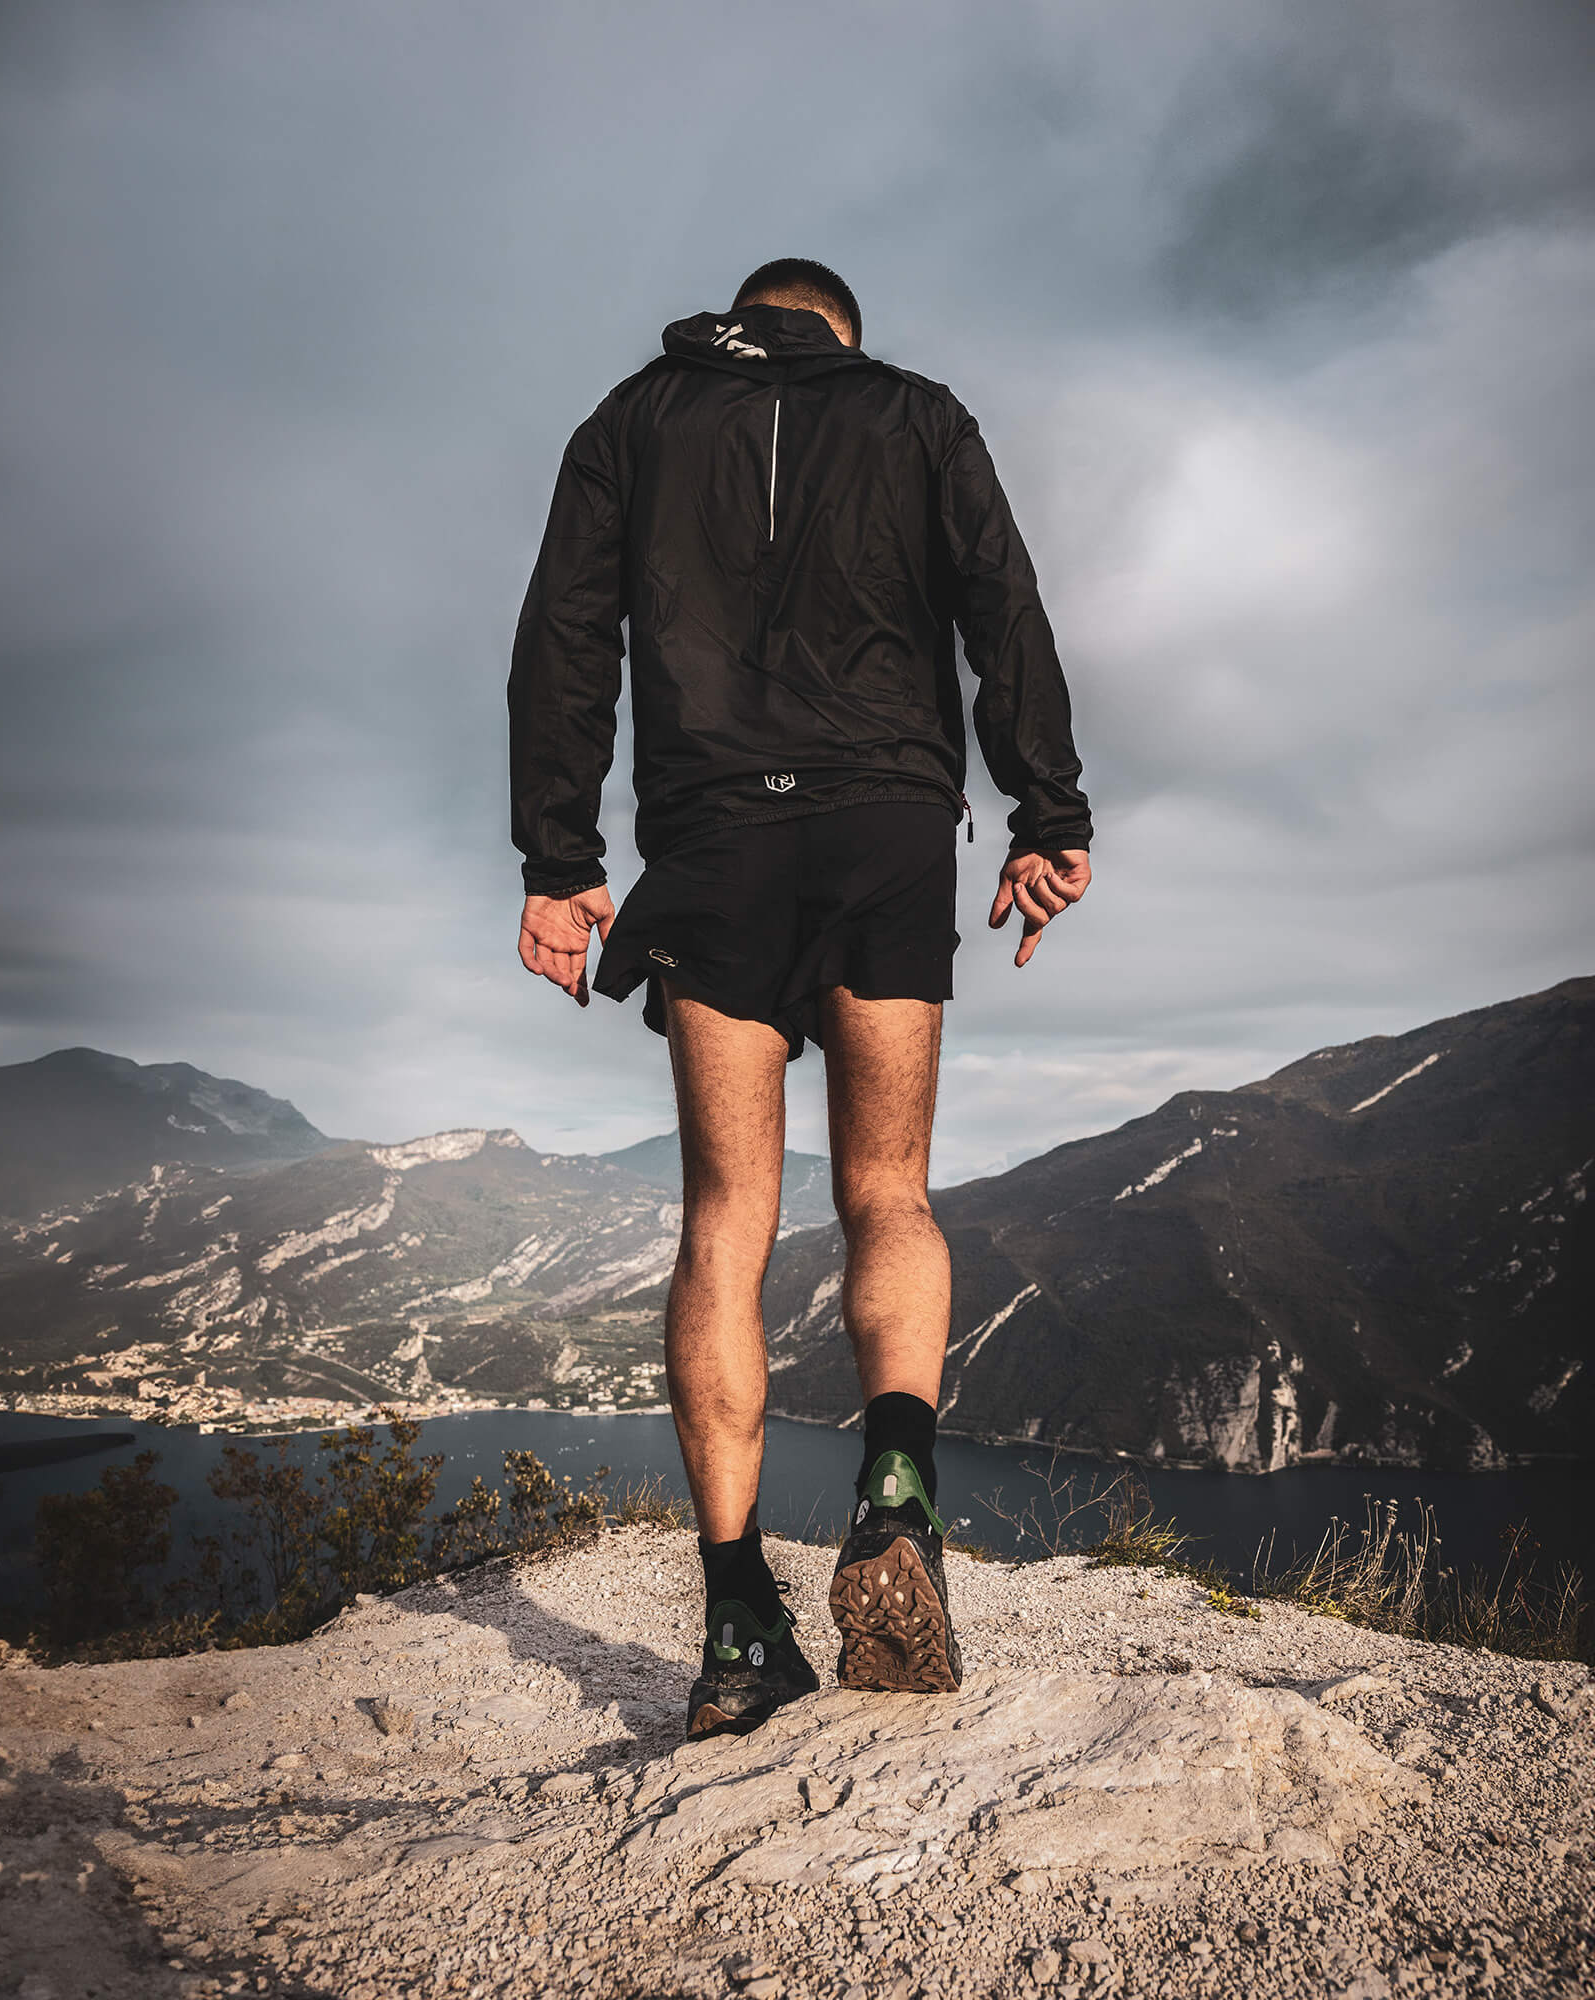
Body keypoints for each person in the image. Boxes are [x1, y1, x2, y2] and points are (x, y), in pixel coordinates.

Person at [509, 257, 1092, 1739]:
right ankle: (897, 1492)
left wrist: (560, 857)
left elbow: (565, 636)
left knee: (727, 1221)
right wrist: (1047, 813)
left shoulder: (631, 421)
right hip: (887, 825)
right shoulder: (914, 414)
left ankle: (734, 1628)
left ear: (742, 320)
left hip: (713, 839)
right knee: (889, 1190)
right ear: (841, 332)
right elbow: (1000, 607)